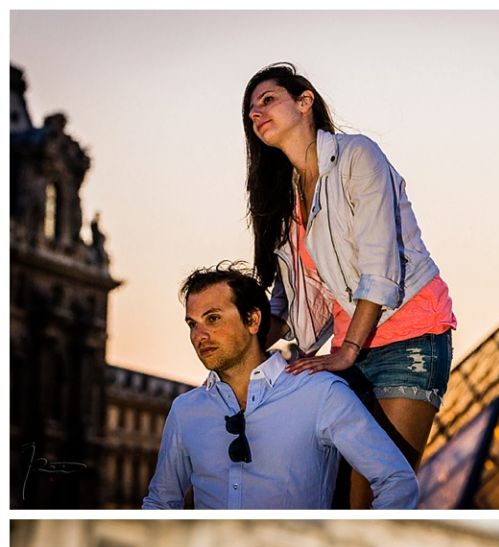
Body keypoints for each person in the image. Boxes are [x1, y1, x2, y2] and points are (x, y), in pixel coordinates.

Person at [242, 63, 455, 507]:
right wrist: (243, 345)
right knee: (335, 501)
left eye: (267, 100)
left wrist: (347, 351)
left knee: (379, 496)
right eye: (250, 111)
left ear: (305, 103)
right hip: (349, 350)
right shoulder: (283, 195)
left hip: (409, 336)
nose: (256, 114)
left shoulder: (357, 155)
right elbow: (290, 296)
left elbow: (380, 262)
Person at [142, 263, 419, 509]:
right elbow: (160, 502)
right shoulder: (185, 411)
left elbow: (397, 480)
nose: (199, 336)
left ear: (252, 320)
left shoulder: (320, 393)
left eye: (213, 319)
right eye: (192, 324)